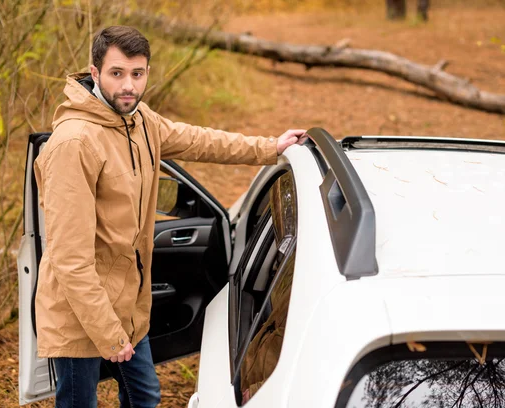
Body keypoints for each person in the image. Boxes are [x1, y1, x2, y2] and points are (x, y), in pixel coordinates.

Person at [33, 25, 306, 408]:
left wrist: (269, 147)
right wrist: (110, 334)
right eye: (117, 73)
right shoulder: (74, 145)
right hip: (79, 314)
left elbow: (198, 139)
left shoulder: (139, 120)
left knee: (144, 398)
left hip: (128, 306)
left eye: (137, 74)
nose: (129, 85)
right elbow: (70, 261)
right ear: (94, 74)